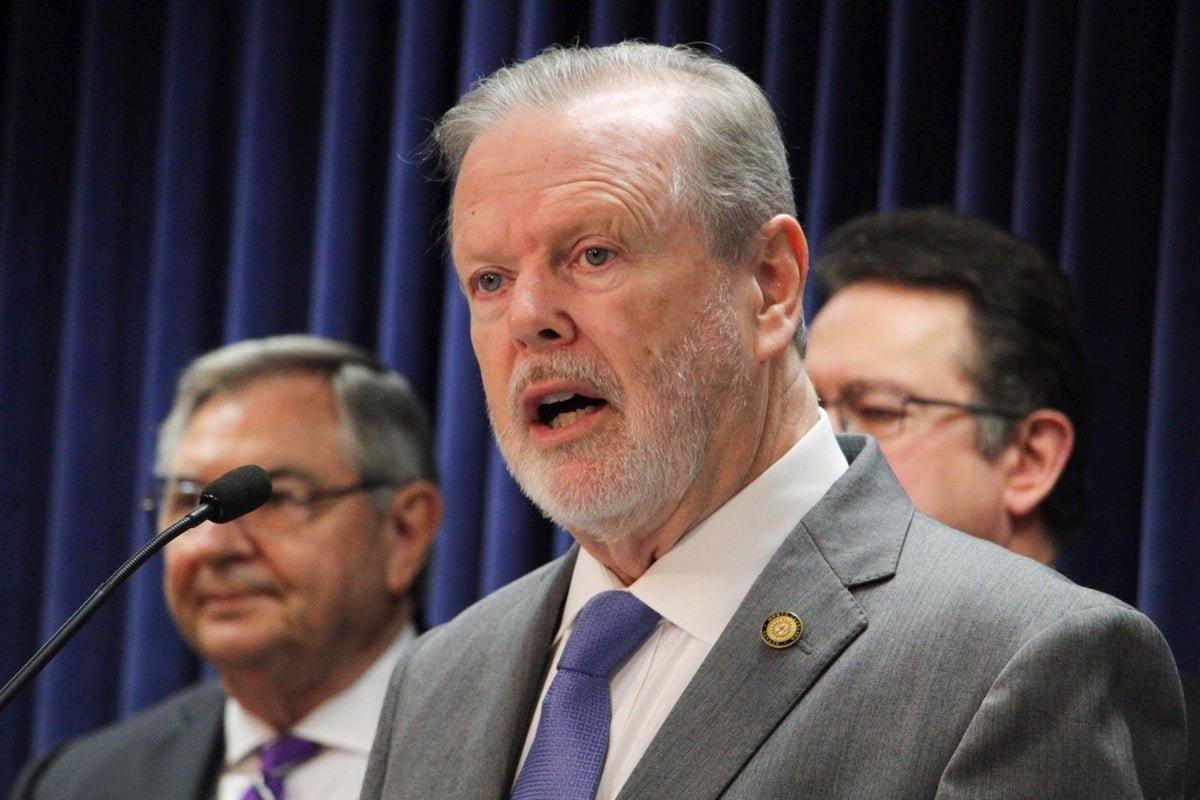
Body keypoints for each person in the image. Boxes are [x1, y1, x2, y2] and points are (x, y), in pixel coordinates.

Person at [361, 41, 1185, 798]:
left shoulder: (1023, 661)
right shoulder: (437, 681)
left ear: (770, 283)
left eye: (594, 255)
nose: (529, 318)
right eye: (490, 280)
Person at [10, 335, 442, 800]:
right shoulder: (78, 784)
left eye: (276, 498)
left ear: (404, 532)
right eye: (188, 500)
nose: (212, 544)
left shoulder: (511, 751)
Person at [804, 208, 1084, 565]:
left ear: (1030, 459)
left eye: (878, 410)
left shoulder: (1095, 623)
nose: (814, 441)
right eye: (808, 406)